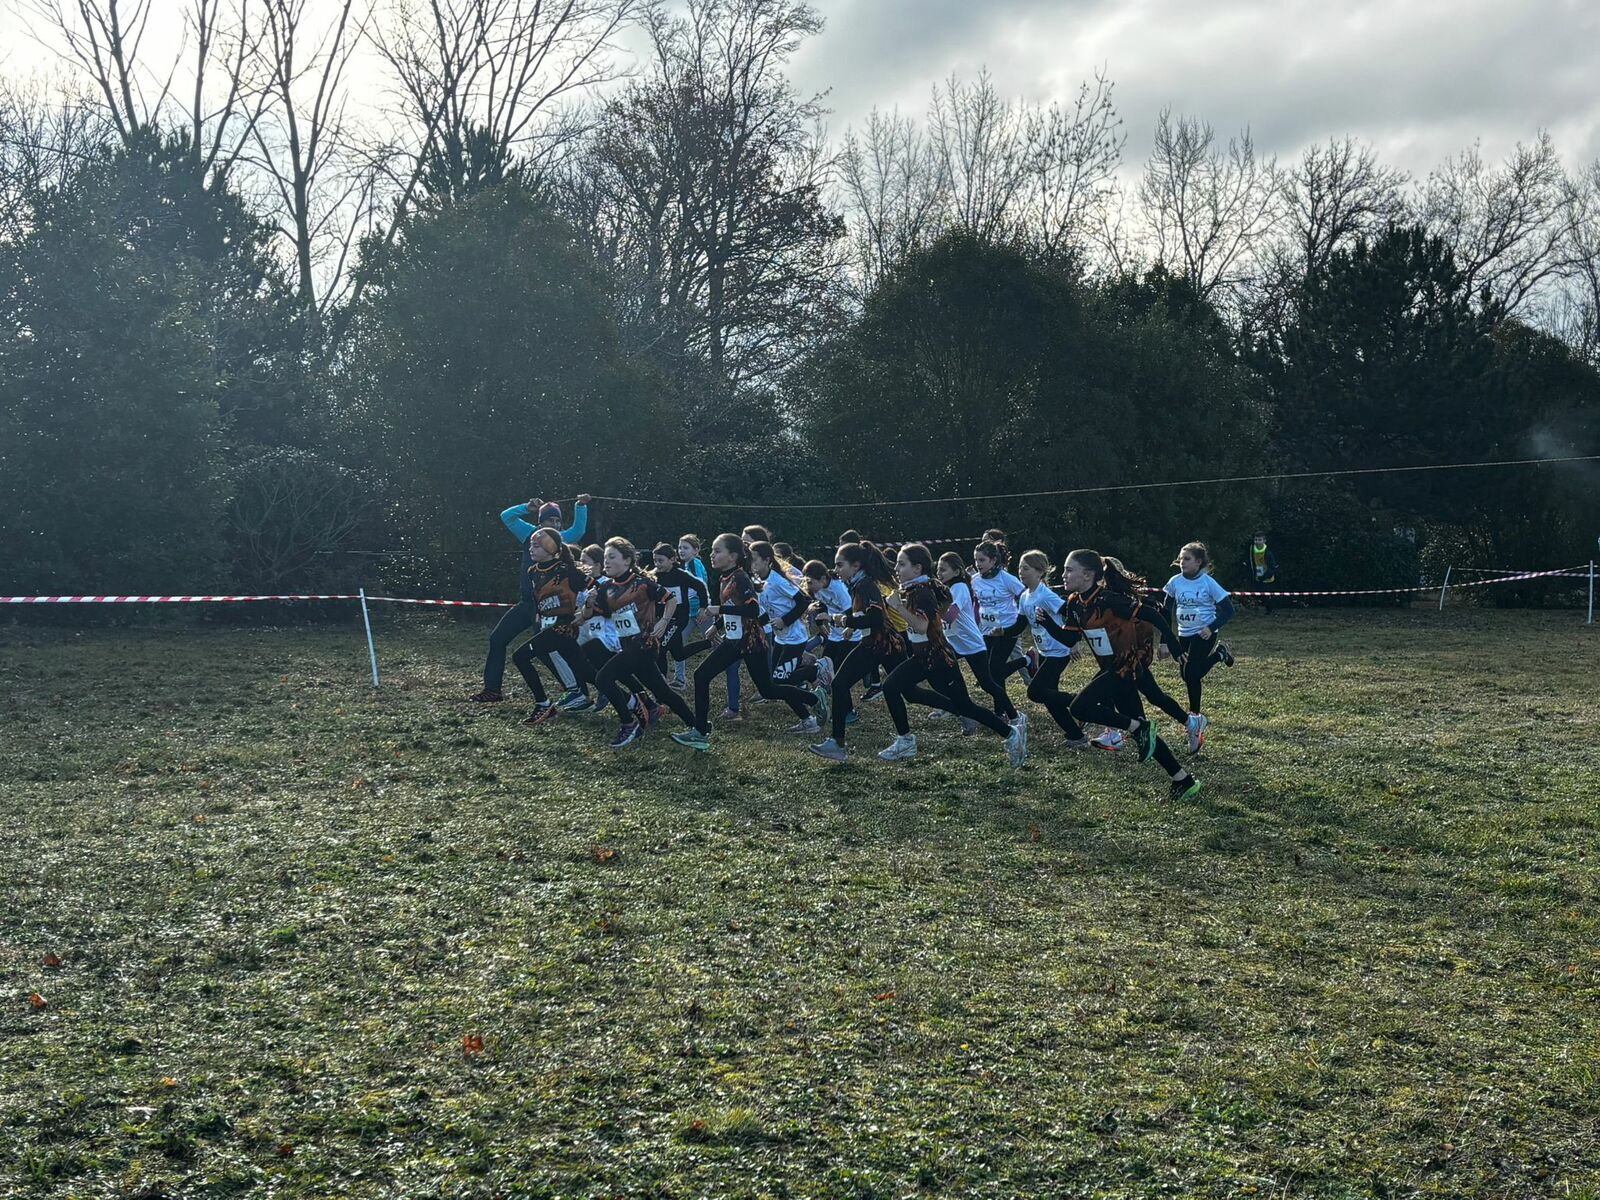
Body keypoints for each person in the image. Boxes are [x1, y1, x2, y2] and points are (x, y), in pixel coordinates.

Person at [1043, 550, 1202, 802]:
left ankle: (1140, 727)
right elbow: (1070, 638)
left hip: (1125, 668)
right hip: (1111, 669)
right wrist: (1047, 624)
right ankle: (1183, 779)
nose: (1063, 575)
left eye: (1069, 570)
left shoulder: (1109, 600)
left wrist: (1171, 643)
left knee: (1079, 707)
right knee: (1141, 733)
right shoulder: (1075, 602)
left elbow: (1153, 614)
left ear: (1088, 575)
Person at [670, 535, 824, 752]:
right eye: (712, 551)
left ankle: (813, 699)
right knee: (701, 675)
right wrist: (718, 625)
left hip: (752, 643)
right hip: (735, 640)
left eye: (717, 551)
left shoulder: (740, 578)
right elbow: (736, 607)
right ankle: (700, 732)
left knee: (768, 689)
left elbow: (752, 609)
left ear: (733, 556)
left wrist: (718, 610)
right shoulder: (726, 576)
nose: (712, 555)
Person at [877, 544, 1027, 765]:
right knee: (910, 692)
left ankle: (1011, 732)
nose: (896, 568)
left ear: (917, 568)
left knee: (963, 703)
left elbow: (922, 626)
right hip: (927, 657)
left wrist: (898, 607)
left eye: (901, 564)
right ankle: (1008, 732)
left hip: (938, 658)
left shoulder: (922, 593)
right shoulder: (916, 588)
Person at [470, 491, 590, 703]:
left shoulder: (560, 539)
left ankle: (575, 691)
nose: (555, 525)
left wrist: (580, 506)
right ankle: (492, 690)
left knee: (546, 649)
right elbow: (507, 516)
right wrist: (526, 507)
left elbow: (579, 530)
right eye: (550, 520)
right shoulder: (530, 535)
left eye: (558, 521)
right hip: (527, 603)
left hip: (548, 606)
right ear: (540, 523)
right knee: (497, 639)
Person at [581, 537, 696, 749]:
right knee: (663, 694)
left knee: (603, 678)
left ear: (627, 561)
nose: (606, 561)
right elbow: (589, 615)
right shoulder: (606, 588)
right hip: (628, 647)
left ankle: (629, 724)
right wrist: (588, 603)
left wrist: (664, 621)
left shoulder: (642, 583)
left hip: (644, 645)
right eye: (605, 557)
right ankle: (698, 728)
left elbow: (670, 600)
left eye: (612, 557)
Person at [809, 541, 903, 763]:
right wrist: (851, 623)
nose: (835, 570)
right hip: (873, 643)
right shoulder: (857, 584)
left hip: (884, 644)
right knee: (840, 684)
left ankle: (961, 709)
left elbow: (876, 618)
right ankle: (837, 744)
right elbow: (865, 615)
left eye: (840, 565)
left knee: (908, 691)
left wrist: (841, 620)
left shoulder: (865, 585)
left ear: (856, 566)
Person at [1162, 541, 1236, 753]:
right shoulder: (1175, 582)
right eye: (1180, 558)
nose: (1182, 562)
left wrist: (1210, 627)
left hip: (1204, 634)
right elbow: (1165, 612)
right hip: (1183, 634)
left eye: (1187, 559)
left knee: (1191, 674)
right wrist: (1165, 641)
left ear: (1199, 562)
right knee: (1186, 675)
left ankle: (1195, 718)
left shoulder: (1208, 583)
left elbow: (1228, 610)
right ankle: (1219, 655)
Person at [516, 529, 593, 726]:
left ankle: (543, 704)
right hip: (550, 627)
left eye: (536, 546)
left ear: (550, 549)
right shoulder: (533, 571)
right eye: (531, 545)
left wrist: (585, 612)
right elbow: (538, 595)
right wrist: (539, 612)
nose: (531, 549)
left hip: (564, 629)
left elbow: (596, 588)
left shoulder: (566, 570)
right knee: (587, 673)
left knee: (520, 656)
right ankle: (635, 702)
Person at [1014, 549, 1089, 747]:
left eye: (1026, 568)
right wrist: (999, 632)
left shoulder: (1045, 595)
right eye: (1020, 567)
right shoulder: (1025, 596)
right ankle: (1076, 736)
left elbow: (1070, 612)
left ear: (1040, 572)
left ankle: (1084, 703)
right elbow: (1019, 626)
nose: (1021, 571)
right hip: (1044, 652)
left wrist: (1073, 641)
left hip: (1058, 652)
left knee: (1035, 692)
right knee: (1050, 698)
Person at [936, 551, 1019, 729]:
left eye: (943, 570)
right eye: (938, 569)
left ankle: (1014, 716)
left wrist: (931, 610)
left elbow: (950, 616)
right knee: (938, 671)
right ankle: (957, 709)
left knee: (988, 684)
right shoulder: (947, 588)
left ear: (956, 572)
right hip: (955, 644)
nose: (939, 573)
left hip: (972, 644)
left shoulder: (959, 587)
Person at [751, 542, 823, 733]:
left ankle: (814, 682)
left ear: (767, 560)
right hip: (780, 639)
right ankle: (808, 717)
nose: (751, 563)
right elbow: (769, 610)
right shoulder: (759, 581)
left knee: (780, 682)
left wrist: (785, 620)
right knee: (778, 683)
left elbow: (803, 601)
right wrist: (758, 624)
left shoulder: (777, 581)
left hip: (795, 639)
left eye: (754, 559)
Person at [970, 537, 1027, 722]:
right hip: (986, 630)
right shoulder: (974, 580)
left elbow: (1026, 596)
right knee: (990, 671)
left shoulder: (1006, 579)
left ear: (993, 560)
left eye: (982, 560)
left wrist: (1020, 618)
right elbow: (975, 602)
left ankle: (1000, 712)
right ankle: (1001, 711)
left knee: (994, 669)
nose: (978, 564)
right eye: (976, 560)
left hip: (1007, 630)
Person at [651, 542, 712, 683]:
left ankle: (662, 685)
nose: (657, 564)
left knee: (660, 648)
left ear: (672, 559)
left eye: (661, 561)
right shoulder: (654, 576)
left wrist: (703, 607)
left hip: (679, 618)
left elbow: (700, 587)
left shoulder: (681, 575)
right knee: (679, 654)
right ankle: (709, 643)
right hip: (663, 618)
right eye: (655, 561)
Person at [673, 534, 710, 690]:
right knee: (678, 643)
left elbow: (699, 585)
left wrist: (702, 607)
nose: (681, 550)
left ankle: (732, 660)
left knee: (715, 642)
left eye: (685, 548)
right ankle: (679, 680)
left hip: (702, 613)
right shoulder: (687, 565)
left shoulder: (694, 564)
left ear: (695, 550)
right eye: (679, 547)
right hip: (690, 613)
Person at [1246, 530, 1279, 613]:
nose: (1257, 542)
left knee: (1267, 594)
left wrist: (1265, 576)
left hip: (1267, 576)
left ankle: (1270, 609)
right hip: (1257, 575)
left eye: (1259, 540)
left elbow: (1272, 567)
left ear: (1264, 541)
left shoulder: (1268, 552)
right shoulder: (1251, 549)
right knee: (1260, 593)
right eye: (1256, 540)